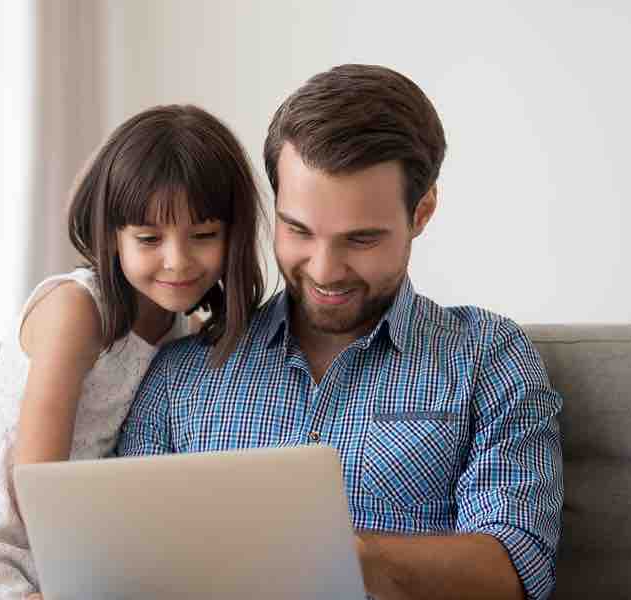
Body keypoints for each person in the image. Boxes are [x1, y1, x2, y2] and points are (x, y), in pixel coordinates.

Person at [117, 65, 563, 600]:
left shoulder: (486, 357)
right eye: (298, 231)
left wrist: (348, 558)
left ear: (422, 212)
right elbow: (118, 557)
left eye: (361, 240)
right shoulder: (178, 373)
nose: (325, 270)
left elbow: (518, 566)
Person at [0, 105, 265, 599]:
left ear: (233, 235)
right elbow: (36, 480)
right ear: (112, 237)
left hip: (51, 541)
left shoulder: (180, 327)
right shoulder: (76, 309)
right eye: (148, 239)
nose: (178, 261)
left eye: (203, 236)